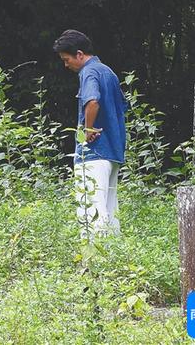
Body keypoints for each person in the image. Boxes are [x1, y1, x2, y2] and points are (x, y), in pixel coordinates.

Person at [53, 29, 128, 240]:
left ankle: (94, 262)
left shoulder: (89, 72)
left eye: (66, 59)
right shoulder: (109, 72)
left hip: (93, 153)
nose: (65, 65)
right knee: (110, 209)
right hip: (113, 152)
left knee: (91, 210)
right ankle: (114, 258)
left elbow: (92, 100)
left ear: (79, 54)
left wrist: (88, 129)